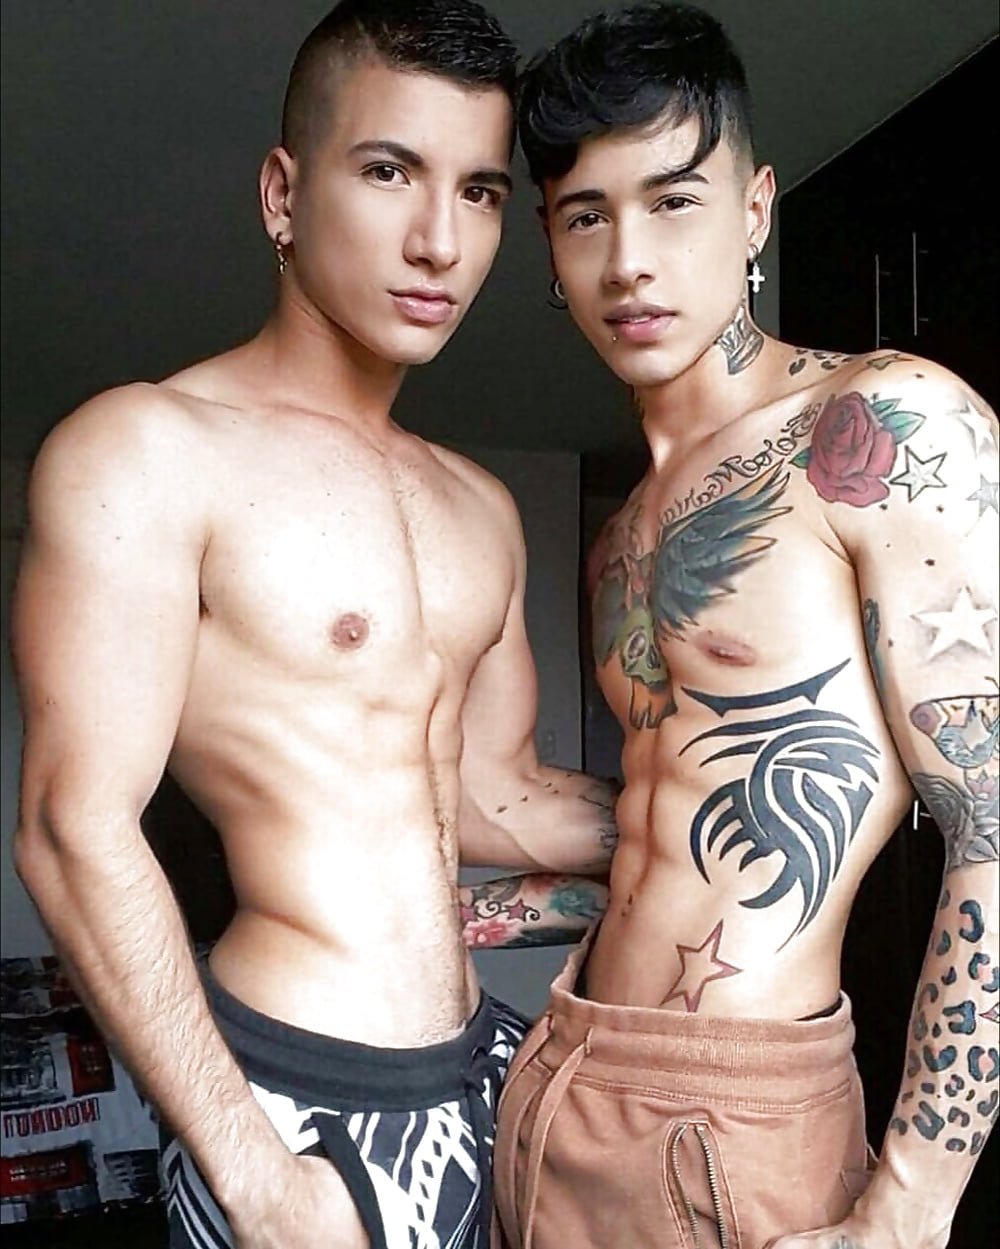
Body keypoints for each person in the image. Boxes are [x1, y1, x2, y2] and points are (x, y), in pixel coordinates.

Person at [10, 4, 616, 1247]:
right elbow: (73, 829)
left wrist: (710, 797)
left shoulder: (478, 507)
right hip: (291, 1104)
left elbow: (493, 795)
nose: (439, 240)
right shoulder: (145, 452)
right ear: (283, 194)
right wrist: (254, 1173)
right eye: (388, 171)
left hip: (480, 1069)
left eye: (480, 192)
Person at [493, 5, 999, 1248]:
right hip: (565, 1069)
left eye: (673, 201)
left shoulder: (882, 426)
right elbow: (667, 838)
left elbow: (993, 826)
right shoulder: (621, 536)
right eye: (585, 216)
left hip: (737, 1114)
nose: (629, 262)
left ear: (756, 208)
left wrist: (910, 1205)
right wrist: (465, 916)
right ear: (550, 247)